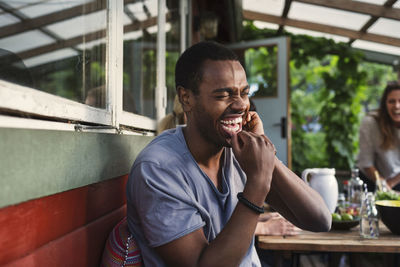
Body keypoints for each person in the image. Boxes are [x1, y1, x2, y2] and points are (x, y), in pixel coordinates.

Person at [126, 41, 331, 266]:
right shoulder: (158, 168)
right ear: (186, 98)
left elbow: (320, 219)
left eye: (244, 93)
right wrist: (257, 183)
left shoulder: (239, 152)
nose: (241, 105)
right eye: (224, 95)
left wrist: (265, 154)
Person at [358, 82, 400, 192]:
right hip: (371, 179)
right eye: (392, 101)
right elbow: (366, 162)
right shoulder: (370, 123)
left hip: (396, 179)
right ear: (385, 104)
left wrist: (390, 184)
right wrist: (383, 185)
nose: (396, 106)